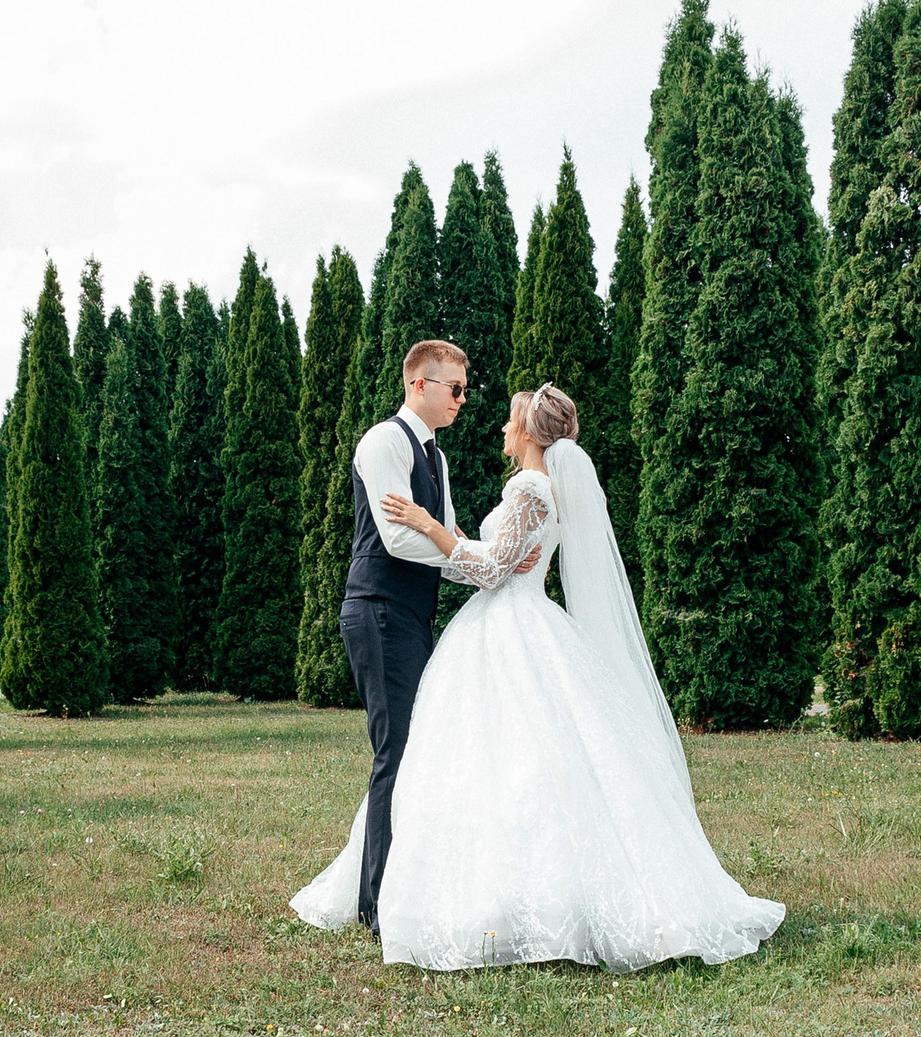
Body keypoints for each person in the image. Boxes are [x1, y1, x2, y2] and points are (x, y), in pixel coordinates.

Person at [293, 384, 784, 972]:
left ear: (528, 431)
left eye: (508, 420)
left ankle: (507, 901)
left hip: (508, 625)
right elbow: (498, 558)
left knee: (507, 762)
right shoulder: (536, 489)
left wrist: (428, 524)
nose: (500, 428)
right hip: (512, 620)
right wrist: (466, 548)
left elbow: (492, 569)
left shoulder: (529, 488)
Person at [331, 340, 537, 933]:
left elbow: (443, 535)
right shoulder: (383, 443)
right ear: (419, 383)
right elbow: (398, 541)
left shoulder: (437, 458)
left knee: (417, 751)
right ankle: (375, 906)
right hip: (378, 610)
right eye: (454, 389)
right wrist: (473, 556)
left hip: (413, 616)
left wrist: (493, 560)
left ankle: (403, 889)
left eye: (465, 391)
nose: (462, 400)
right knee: (395, 751)